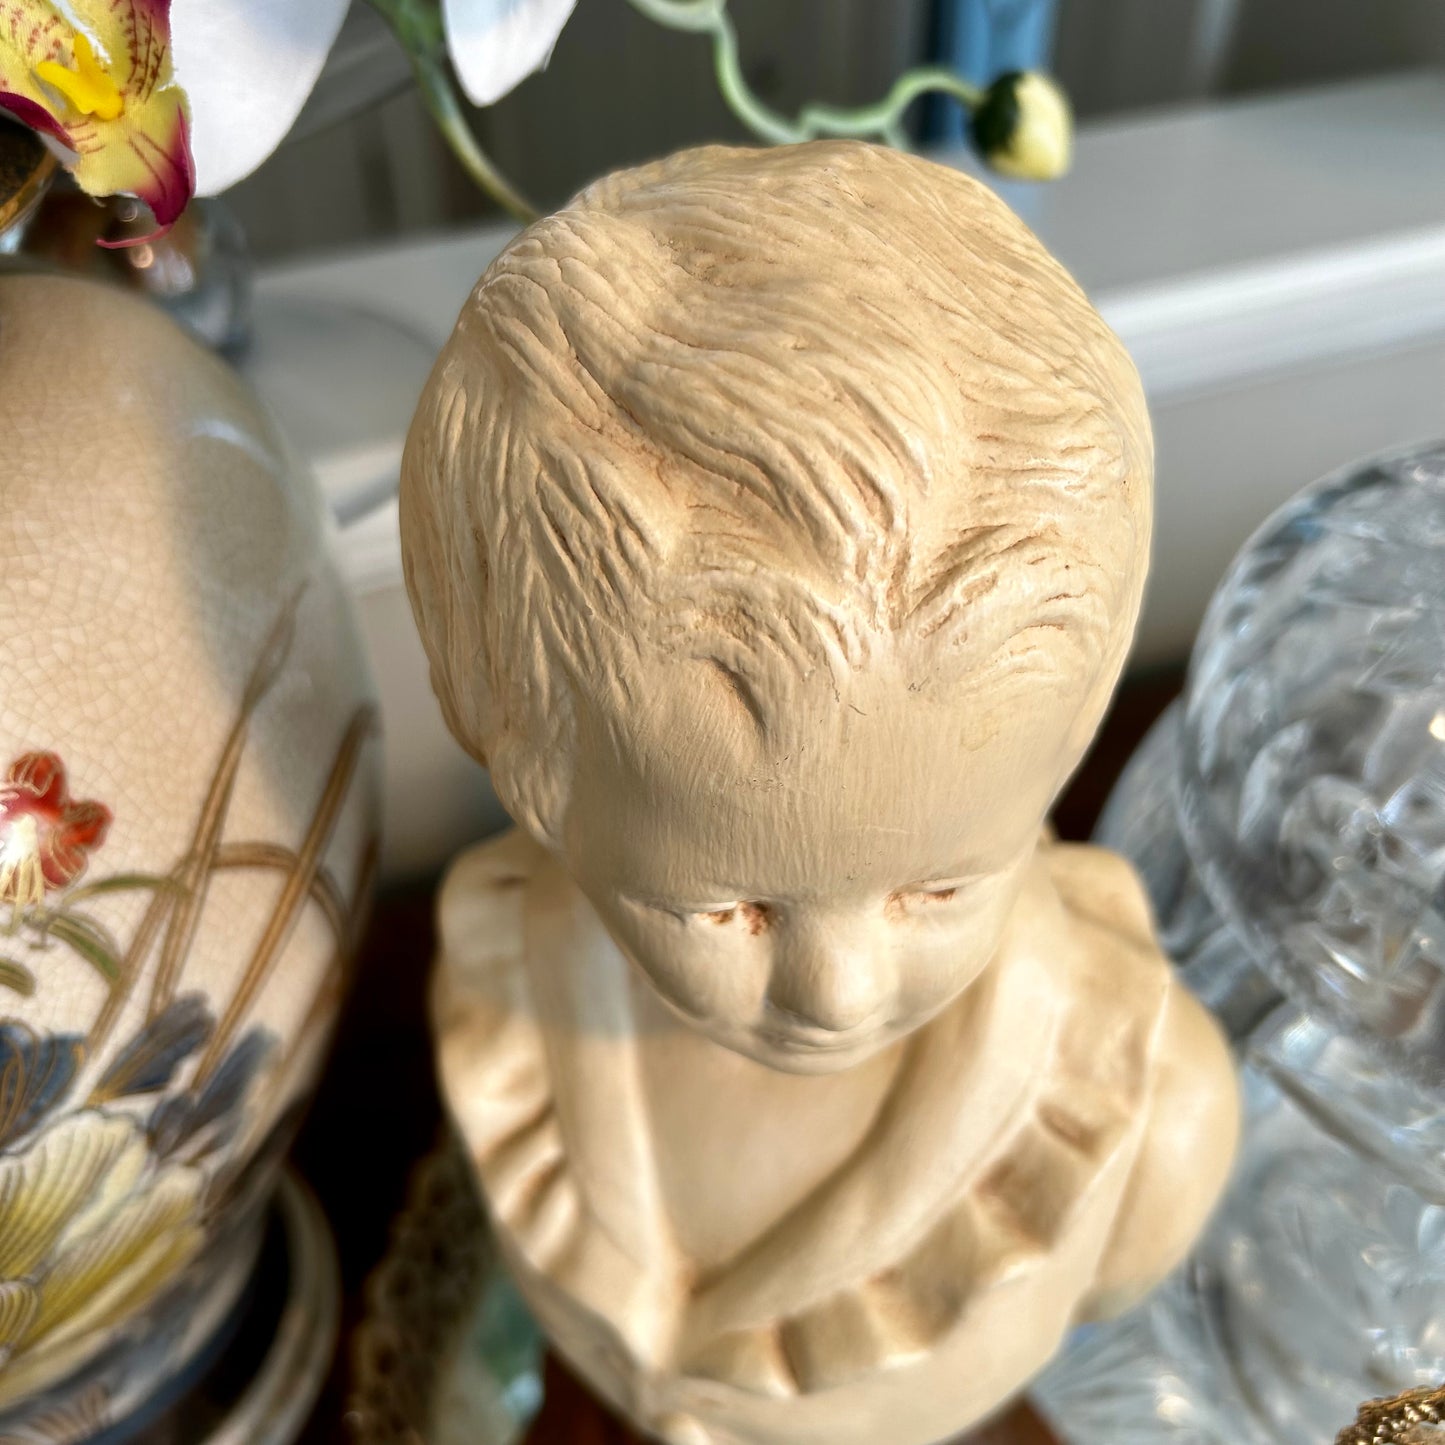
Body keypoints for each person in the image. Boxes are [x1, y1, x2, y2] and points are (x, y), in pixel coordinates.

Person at [402, 140, 1240, 1445]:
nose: (837, 991)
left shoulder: (1137, 1112)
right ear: (526, 764)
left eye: (941, 883)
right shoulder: (510, 982)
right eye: (729, 904)